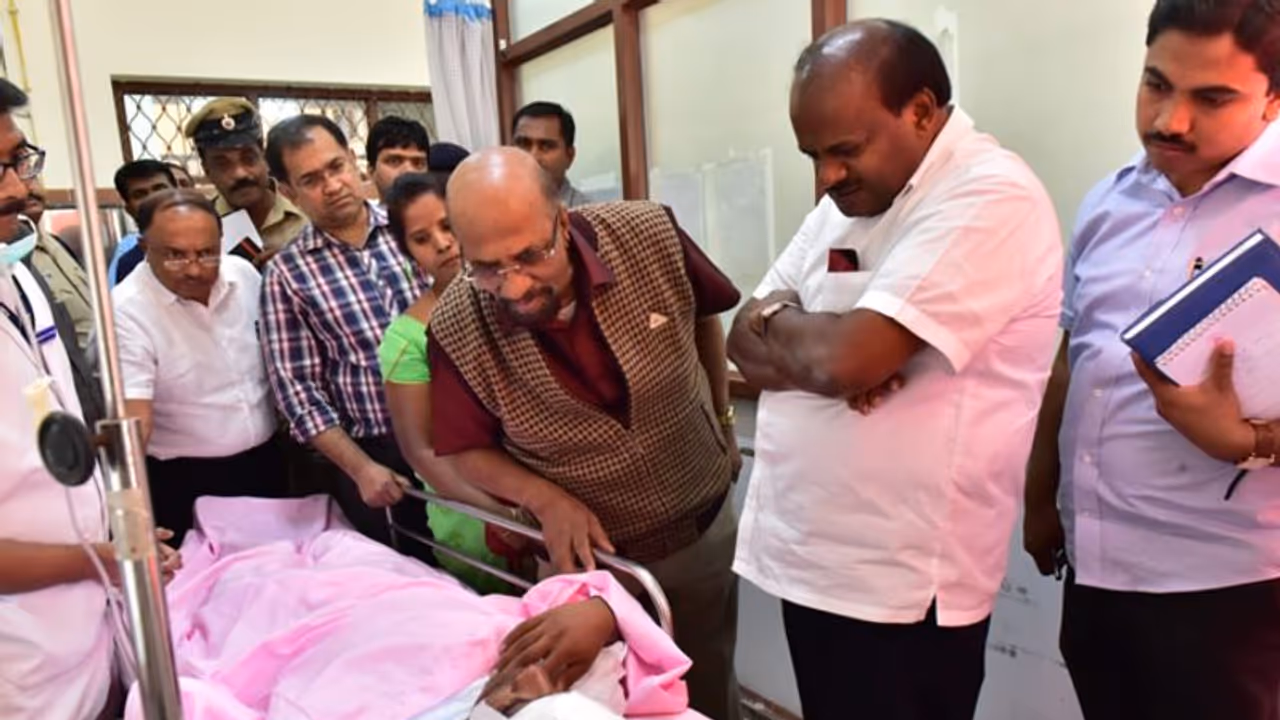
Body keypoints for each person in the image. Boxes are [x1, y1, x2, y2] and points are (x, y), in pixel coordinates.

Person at [727, 21, 1062, 720]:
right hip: (814, 559)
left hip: (900, 585)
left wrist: (823, 343)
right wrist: (813, 341)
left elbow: (848, 359)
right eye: (813, 155)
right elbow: (741, 337)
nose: (825, 178)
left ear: (920, 111)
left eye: (844, 151)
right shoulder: (845, 205)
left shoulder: (986, 194)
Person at [1023, 2, 1280, 718]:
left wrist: (1249, 442)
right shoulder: (1110, 200)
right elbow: (1077, 359)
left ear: (1274, 98)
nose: (1170, 120)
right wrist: (1041, 498)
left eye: (1212, 98)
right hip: (1099, 572)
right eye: (1156, 84)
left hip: (1229, 590)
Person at [430, 147, 743, 720]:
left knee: (713, 680)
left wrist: (722, 418)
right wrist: (544, 500)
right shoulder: (456, 323)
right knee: (607, 699)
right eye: (487, 267)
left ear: (563, 220)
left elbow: (705, 314)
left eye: (530, 255)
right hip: (593, 569)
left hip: (700, 521)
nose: (515, 285)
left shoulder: (650, 236)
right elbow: (464, 450)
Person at [0, 77, 179, 720]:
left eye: (20, 159)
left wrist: (113, 529)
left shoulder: (19, 275)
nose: (20, 188)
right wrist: (100, 557)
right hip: (22, 657)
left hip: (90, 626)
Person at [260, 114, 431, 560]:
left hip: (455, 433)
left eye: (336, 167)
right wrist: (361, 469)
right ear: (287, 191)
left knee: (484, 565)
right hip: (379, 457)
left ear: (354, 161)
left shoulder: (412, 230)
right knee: (407, 581)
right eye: (311, 179)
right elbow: (297, 392)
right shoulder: (287, 275)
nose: (332, 185)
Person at [113, 189, 288, 545]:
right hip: (184, 483)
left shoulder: (244, 278)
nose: (194, 268)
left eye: (207, 253)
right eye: (176, 256)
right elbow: (133, 423)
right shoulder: (125, 313)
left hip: (266, 467)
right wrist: (130, 515)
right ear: (145, 250)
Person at [378, 172, 518, 594]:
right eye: (422, 238)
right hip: (472, 512)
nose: (441, 243)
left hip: (549, 491)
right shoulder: (405, 340)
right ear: (408, 254)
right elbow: (421, 453)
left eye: (448, 225)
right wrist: (502, 517)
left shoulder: (520, 297)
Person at [184, 97, 308, 257]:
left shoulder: (310, 214)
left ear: (264, 157)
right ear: (207, 170)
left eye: (248, 158)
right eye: (223, 164)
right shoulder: (196, 228)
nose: (240, 173)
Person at [22, 175, 93, 353]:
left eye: (33, 179)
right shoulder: (17, 260)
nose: (30, 190)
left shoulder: (57, 244)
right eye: (20, 181)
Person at [107, 159, 176, 287]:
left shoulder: (214, 238)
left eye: (160, 189)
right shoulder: (129, 264)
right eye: (140, 194)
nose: (153, 199)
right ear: (128, 209)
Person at [511, 102, 591, 208]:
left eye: (546, 146)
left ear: (569, 156)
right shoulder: (492, 209)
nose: (532, 157)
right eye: (523, 144)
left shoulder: (587, 218)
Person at [366, 116, 430, 203]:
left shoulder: (450, 213)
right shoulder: (360, 215)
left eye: (418, 163)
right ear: (371, 172)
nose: (408, 171)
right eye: (394, 161)